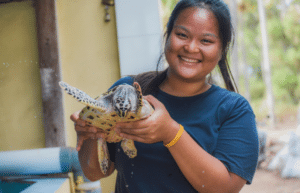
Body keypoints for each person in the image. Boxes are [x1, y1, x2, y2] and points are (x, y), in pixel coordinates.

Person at [71, 0, 259, 192]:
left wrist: (171, 133)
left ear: (221, 49)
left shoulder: (234, 110)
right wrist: (91, 131)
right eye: (182, 35)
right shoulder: (127, 91)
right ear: (168, 35)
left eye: (206, 41)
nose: (191, 48)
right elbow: (94, 172)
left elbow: (225, 188)